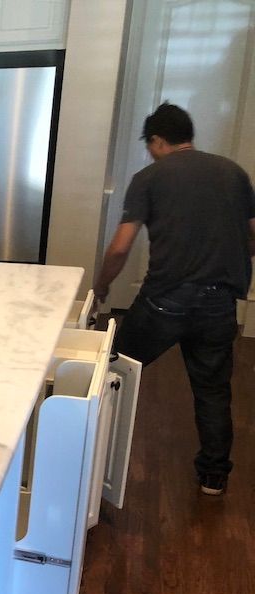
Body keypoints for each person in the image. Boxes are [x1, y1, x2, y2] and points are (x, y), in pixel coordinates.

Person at [93, 102, 255, 496]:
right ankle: (213, 476)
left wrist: (102, 286)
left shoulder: (149, 177)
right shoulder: (233, 173)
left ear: (157, 140)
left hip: (164, 300)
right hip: (219, 303)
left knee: (111, 370)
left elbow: (120, 247)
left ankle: (91, 453)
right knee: (213, 389)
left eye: (150, 146)